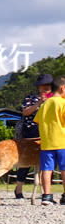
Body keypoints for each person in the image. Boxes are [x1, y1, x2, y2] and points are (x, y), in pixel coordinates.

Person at [13, 74, 53, 199]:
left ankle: (45, 191)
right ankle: (19, 188)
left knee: (47, 161)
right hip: (31, 130)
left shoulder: (56, 98)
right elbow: (25, 112)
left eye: (47, 86)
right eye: (43, 86)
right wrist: (40, 102)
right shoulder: (30, 98)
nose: (45, 89)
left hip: (48, 131)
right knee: (26, 160)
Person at [35, 75, 65, 206]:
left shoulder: (45, 104)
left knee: (46, 169)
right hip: (62, 142)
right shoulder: (63, 103)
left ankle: (46, 196)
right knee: (64, 169)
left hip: (47, 143)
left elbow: (37, 121)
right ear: (63, 89)